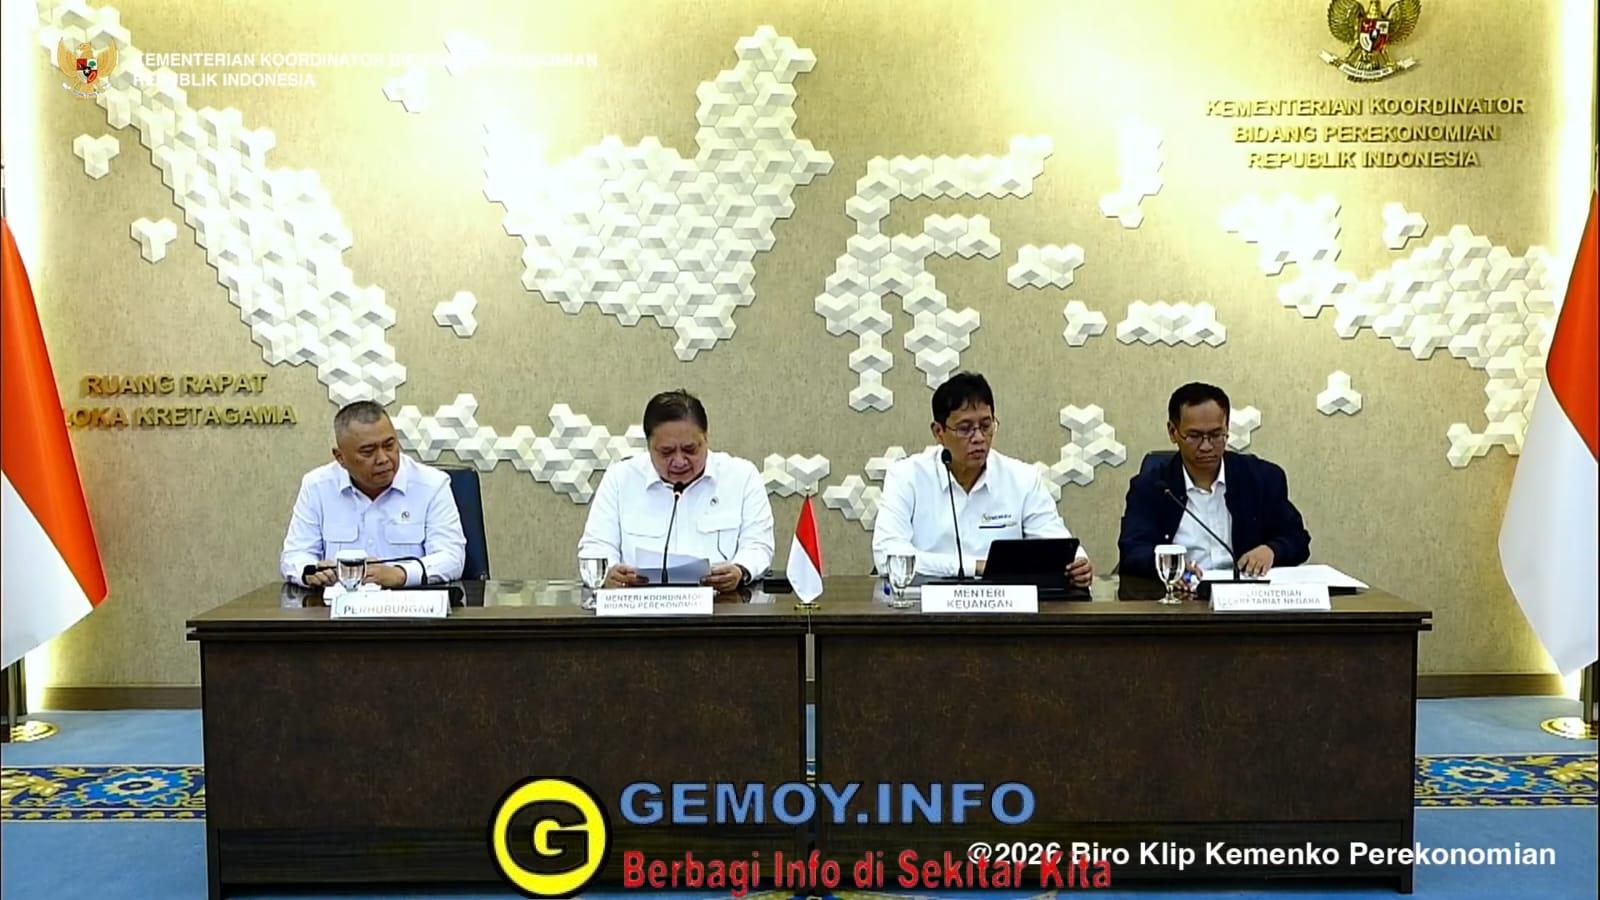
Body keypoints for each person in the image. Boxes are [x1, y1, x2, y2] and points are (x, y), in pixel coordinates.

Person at [872, 371, 1094, 585]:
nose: (979, 438)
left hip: (1004, 607)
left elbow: (1057, 544)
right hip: (925, 605)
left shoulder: (1023, 479)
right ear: (939, 432)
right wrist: (975, 567)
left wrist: (1077, 563)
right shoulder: (906, 477)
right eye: (965, 429)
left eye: (986, 426)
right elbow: (888, 557)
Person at [578, 389, 774, 592]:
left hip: (721, 605)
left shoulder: (741, 476)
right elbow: (595, 548)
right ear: (649, 446)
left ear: (706, 439)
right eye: (667, 452)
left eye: (690, 449)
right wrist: (609, 574)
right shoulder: (620, 479)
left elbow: (758, 545)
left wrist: (741, 569)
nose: (679, 461)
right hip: (639, 606)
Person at [1117, 382, 1311, 582]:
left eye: (1216, 435)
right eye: (1194, 436)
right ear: (1173, 432)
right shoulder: (1152, 488)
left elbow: (1297, 539)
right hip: (1182, 592)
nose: (1206, 446)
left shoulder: (1262, 478)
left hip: (1244, 592)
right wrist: (1171, 566)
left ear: (1227, 428)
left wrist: (1271, 550)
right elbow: (1133, 551)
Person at [280, 401, 466, 588]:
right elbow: (295, 555)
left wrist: (401, 574)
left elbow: (451, 557)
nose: (383, 459)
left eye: (389, 445)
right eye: (368, 452)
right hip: (339, 603)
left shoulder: (432, 485)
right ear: (340, 458)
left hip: (409, 603)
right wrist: (310, 572)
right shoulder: (317, 487)